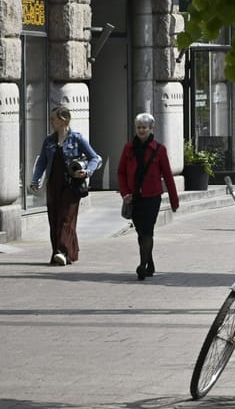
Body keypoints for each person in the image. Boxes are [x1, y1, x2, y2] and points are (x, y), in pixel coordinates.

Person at [29, 105, 102, 266]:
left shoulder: (77, 138)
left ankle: (61, 252)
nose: (51, 122)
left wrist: (87, 172)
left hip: (72, 184)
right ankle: (66, 253)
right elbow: (41, 162)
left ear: (63, 120)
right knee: (54, 219)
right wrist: (35, 180)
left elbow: (94, 158)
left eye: (53, 119)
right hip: (53, 184)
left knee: (66, 218)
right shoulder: (49, 140)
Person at [116, 113, 180, 280]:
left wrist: (174, 200)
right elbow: (121, 172)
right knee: (141, 232)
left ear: (151, 129)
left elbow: (168, 176)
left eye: (144, 127)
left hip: (152, 197)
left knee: (147, 231)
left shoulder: (159, 149)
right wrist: (125, 193)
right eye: (139, 127)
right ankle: (149, 263)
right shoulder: (128, 148)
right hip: (134, 197)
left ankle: (142, 265)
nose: (141, 130)